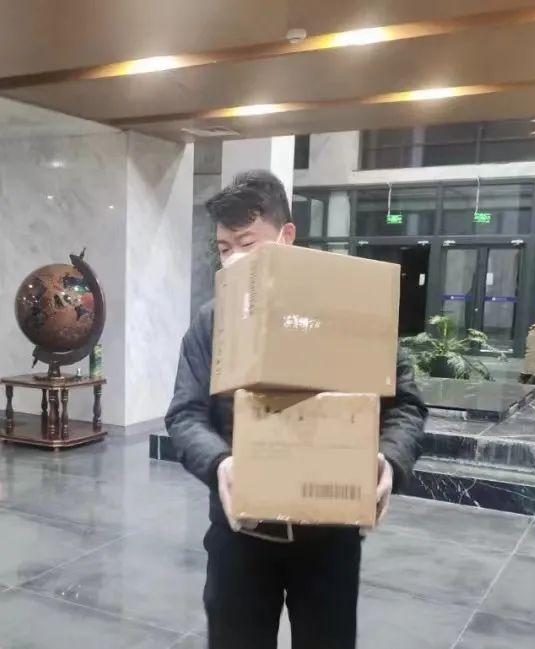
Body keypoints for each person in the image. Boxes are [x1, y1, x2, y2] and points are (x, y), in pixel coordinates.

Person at [165, 169, 427, 649]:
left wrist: (389, 460)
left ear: (287, 235)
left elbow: (405, 405)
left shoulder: (347, 308)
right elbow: (185, 414)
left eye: (248, 243)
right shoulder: (212, 321)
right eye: (224, 248)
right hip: (240, 534)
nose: (234, 259)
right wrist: (219, 462)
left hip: (328, 535)